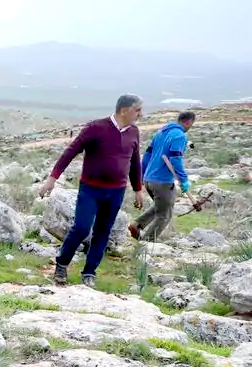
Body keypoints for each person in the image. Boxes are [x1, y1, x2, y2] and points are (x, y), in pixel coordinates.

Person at [39, 94, 146, 288]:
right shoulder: (96, 127)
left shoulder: (134, 132)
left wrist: (138, 189)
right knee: (81, 228)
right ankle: (62, 264)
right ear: (124, 110)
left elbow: (134, 163)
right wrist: (52, 179)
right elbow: (70, 151)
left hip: (116, 191)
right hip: (91, 189)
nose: (140, 114)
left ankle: (89, 272)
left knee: (103, 232)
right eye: (137, 110)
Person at [130, 111, 196, 241]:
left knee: (161, 206)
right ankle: (147, 243)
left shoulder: (160, 134)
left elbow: (147, 155)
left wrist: (143, 175)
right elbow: (175, 159)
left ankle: (136, 225)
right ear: (188, 122)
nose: (191, 127)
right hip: (162, 181)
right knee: (165, 214)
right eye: (191, 124)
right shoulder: (180, 136)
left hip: (149, 179)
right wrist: (184, 180)